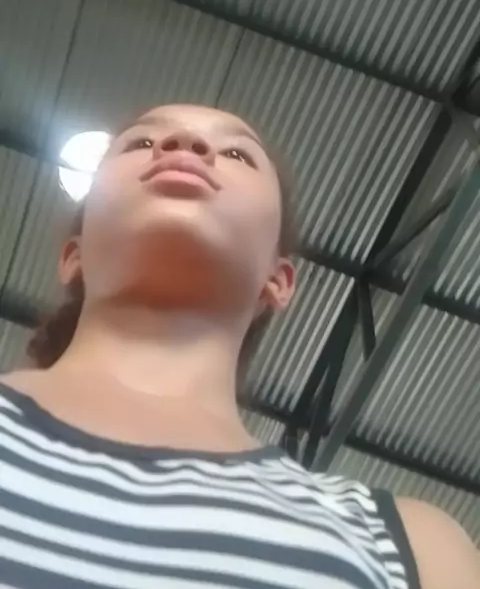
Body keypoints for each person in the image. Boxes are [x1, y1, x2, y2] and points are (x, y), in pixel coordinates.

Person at [0, 104, 478, 589]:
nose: (185, 146)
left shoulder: (415, 549)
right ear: (74, 255)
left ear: (278, 280)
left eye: (236, 154)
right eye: (141, 143)